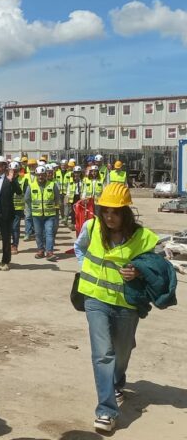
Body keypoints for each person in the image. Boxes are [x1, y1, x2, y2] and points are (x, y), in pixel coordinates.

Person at [73, 183, 159, 433]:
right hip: (95, 299)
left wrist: (138, 271)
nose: (109, 217)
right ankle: (106, 411)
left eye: (116, 212)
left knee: (122, 351)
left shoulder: (142, 237)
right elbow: (79, 247)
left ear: (126, 212)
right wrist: (86, 267)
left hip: (126, 304)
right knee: (103, 353)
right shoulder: (92, 227)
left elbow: (154, 265)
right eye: (106, 211)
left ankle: (117, 381)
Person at [25, 166, 62, 262]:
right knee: (38, 234)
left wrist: (54, 208)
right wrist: (33, 208)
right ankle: (41, 250)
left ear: (46, 175)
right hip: (36, 215)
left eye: (42, 175)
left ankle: (49, 252)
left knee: (49, 232)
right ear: (36, 175)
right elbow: (27, 199)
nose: (40, 177)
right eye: (38, 175)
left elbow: (57, 198)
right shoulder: (31, 186)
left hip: (50, 214)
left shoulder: (52, 185)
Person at [11, 161, 29, 255]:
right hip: (7, 207)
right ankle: (8, 244)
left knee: (15, 227)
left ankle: (14, 245)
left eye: (16, 170)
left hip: (18, 207)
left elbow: (25, 193)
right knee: (7, 228)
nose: (14, 172)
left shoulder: (24, 179)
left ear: (19, 170)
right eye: (12, 170)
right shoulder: (6, 179)